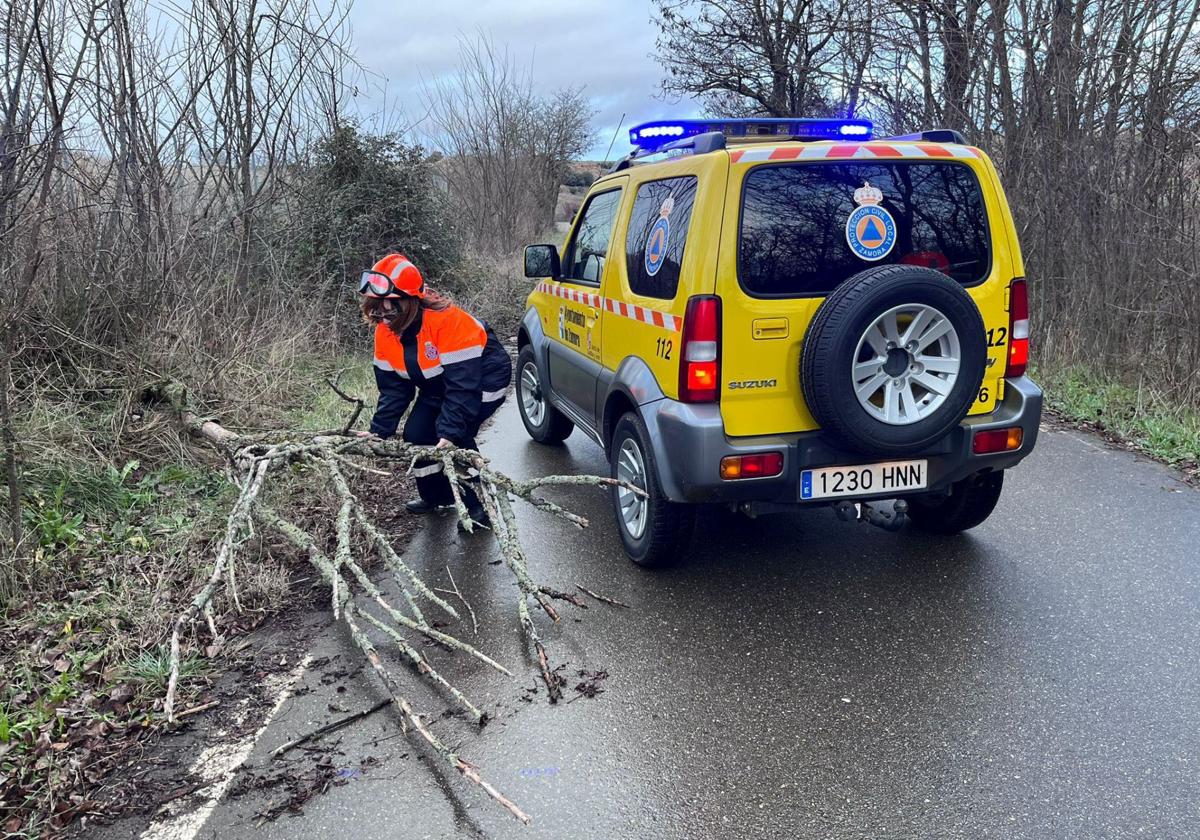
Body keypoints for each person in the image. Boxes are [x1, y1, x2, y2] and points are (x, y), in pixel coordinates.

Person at [359, 253, 512, 528]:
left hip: (482, 382)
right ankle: (437, 496)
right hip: (439, 385)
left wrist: (450, 432)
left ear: (409, 301)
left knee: (455, 440)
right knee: (417, 435)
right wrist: (379, 430)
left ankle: (477, 510)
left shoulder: (448, 323)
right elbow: (394, 388)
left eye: (390, 304)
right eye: (376, 304)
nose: (382, 312)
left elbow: (463, 387)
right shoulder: (386, 331)